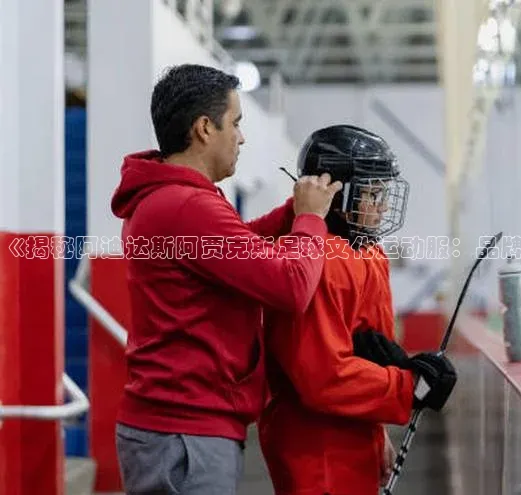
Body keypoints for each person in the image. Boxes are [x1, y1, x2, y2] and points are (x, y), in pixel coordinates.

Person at [109, 63, 342, 494]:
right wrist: (310, 220)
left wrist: (291, 212)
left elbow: (233, 248)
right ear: (204, 128)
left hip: (176, 430)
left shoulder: (167, 199)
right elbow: (291, 287)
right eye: (235, 123)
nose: (242, 136)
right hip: (185, 436)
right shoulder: (187, 207)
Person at [257, 124, 458, 495]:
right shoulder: (318, 260)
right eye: (373, 193)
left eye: (385, 192)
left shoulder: (369, 254)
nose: (383, 206)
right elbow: (322, 378)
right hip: (317, 449)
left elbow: (367, 352)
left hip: (354, 437)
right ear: (337, 195)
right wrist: (406, 387)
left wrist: (377, 428)